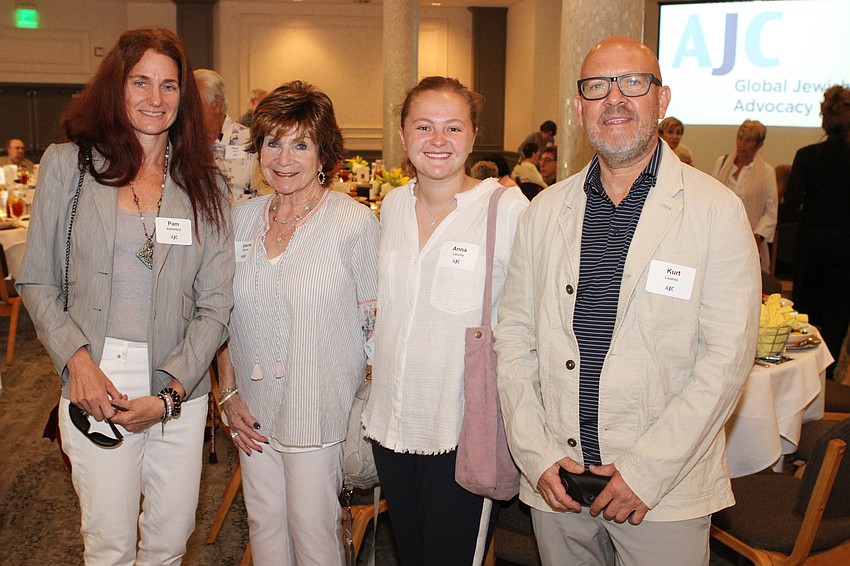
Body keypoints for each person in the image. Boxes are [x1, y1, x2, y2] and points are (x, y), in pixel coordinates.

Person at [494, 36, 760, 566]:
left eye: (633, 82)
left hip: (662, 490)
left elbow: (725, 361)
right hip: (559, 482)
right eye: (597, 86)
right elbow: (514, 339)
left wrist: (646, 470)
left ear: (661, 101)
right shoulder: (544, 212)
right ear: (579, 107)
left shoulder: (715, 212)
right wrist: (536, 455)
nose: (614, 98)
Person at [16, 28, 233, 565]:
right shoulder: (69, 166)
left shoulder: (207, 185)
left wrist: (171, 393)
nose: (155, 100)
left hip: (178, 387)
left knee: (169, 539)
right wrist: (78, 363)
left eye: (169, 86)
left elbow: (216, 304)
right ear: (117, 86)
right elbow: (37, 279)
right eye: (141, 82)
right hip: (98, 379)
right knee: (109, 542)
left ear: (184, 98)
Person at [362, 76, 528, 564]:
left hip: (463, 428)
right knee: (411, 554)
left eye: (453, 128)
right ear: (402, 133)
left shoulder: (506, 208)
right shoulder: (390, 206)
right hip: (392, 423)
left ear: (474, 136)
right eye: (424, 126)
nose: (438, 141)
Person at [215, 81, 379, 565]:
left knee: (314, 536)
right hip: (251, 411)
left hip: (318, 410)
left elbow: (376, 329)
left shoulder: (353, 223)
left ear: (324, 153)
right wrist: (227, 392)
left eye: (300, 144)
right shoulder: (240, 220)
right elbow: (219, 316)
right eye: (273, 142)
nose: (284, 158)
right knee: (265, 531)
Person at [786, 85, 850, 378]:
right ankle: (829, 372)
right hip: (846, 244)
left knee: (805, 309)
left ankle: (802, 370)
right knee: (838, 312)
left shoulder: (806, 155)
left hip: (811, 241)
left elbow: (792, 200)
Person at [712, 120, 778, 272]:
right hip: (719, 236)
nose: (742, 145)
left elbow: (771, 213)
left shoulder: (767, 172)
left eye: (748, 141)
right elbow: (712, 198)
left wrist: (757, 236)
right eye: (740, 138)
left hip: (750, 239)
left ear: (759, 145)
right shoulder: (722, 163)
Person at [195, 68, 258, 204]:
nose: (187, 110)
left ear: (216, 104)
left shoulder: (250, 142)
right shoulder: (184, 145)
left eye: (194, 104)